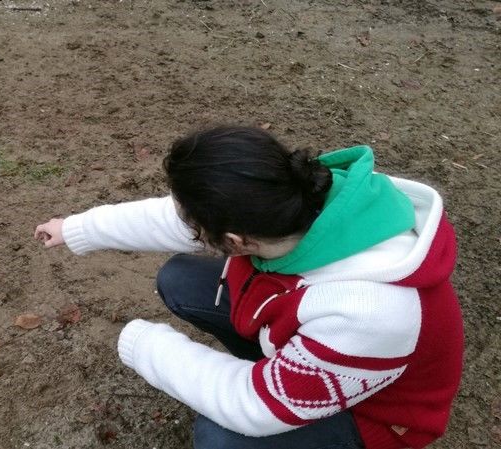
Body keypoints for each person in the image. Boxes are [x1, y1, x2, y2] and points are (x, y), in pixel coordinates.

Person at [34, 126, 463, 449]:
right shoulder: (297, 199)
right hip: (323, 342)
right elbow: (180, 218)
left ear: (237, 242)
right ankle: (283, 361)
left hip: (377, 415)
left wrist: (142, 344)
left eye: (199, 227)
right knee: (180, 279)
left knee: (223, 436)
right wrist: (77, 230)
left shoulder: (368, 312)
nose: (185, 225)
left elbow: (254, 405)